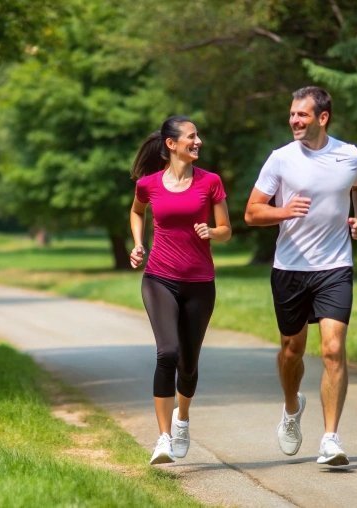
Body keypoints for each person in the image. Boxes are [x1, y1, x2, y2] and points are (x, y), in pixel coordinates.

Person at [244, 86, 357, 466]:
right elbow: (252, 212)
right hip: (290, 269)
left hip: (334, 267)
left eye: (302, 114)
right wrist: (283, 212)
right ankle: (290, 407)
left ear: (322, 117)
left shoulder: (349, 156)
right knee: (291, 351)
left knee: (333, 350)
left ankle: (331, 438)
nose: (294, 121)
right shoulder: (280, 160)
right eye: (292, 114)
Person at [129, 115, 232, 465]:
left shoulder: (211, 182)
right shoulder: (149, 184)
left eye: (198, 135)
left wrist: (212, 233)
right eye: (191, 136)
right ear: (171, 144)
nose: (198, 141)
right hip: (159, 277)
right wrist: (138, 244)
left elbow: (226, 229)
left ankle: (182, 419)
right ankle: (162, 439)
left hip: (200, 283)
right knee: (167, 352)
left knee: (188, 365)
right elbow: (136, 211)